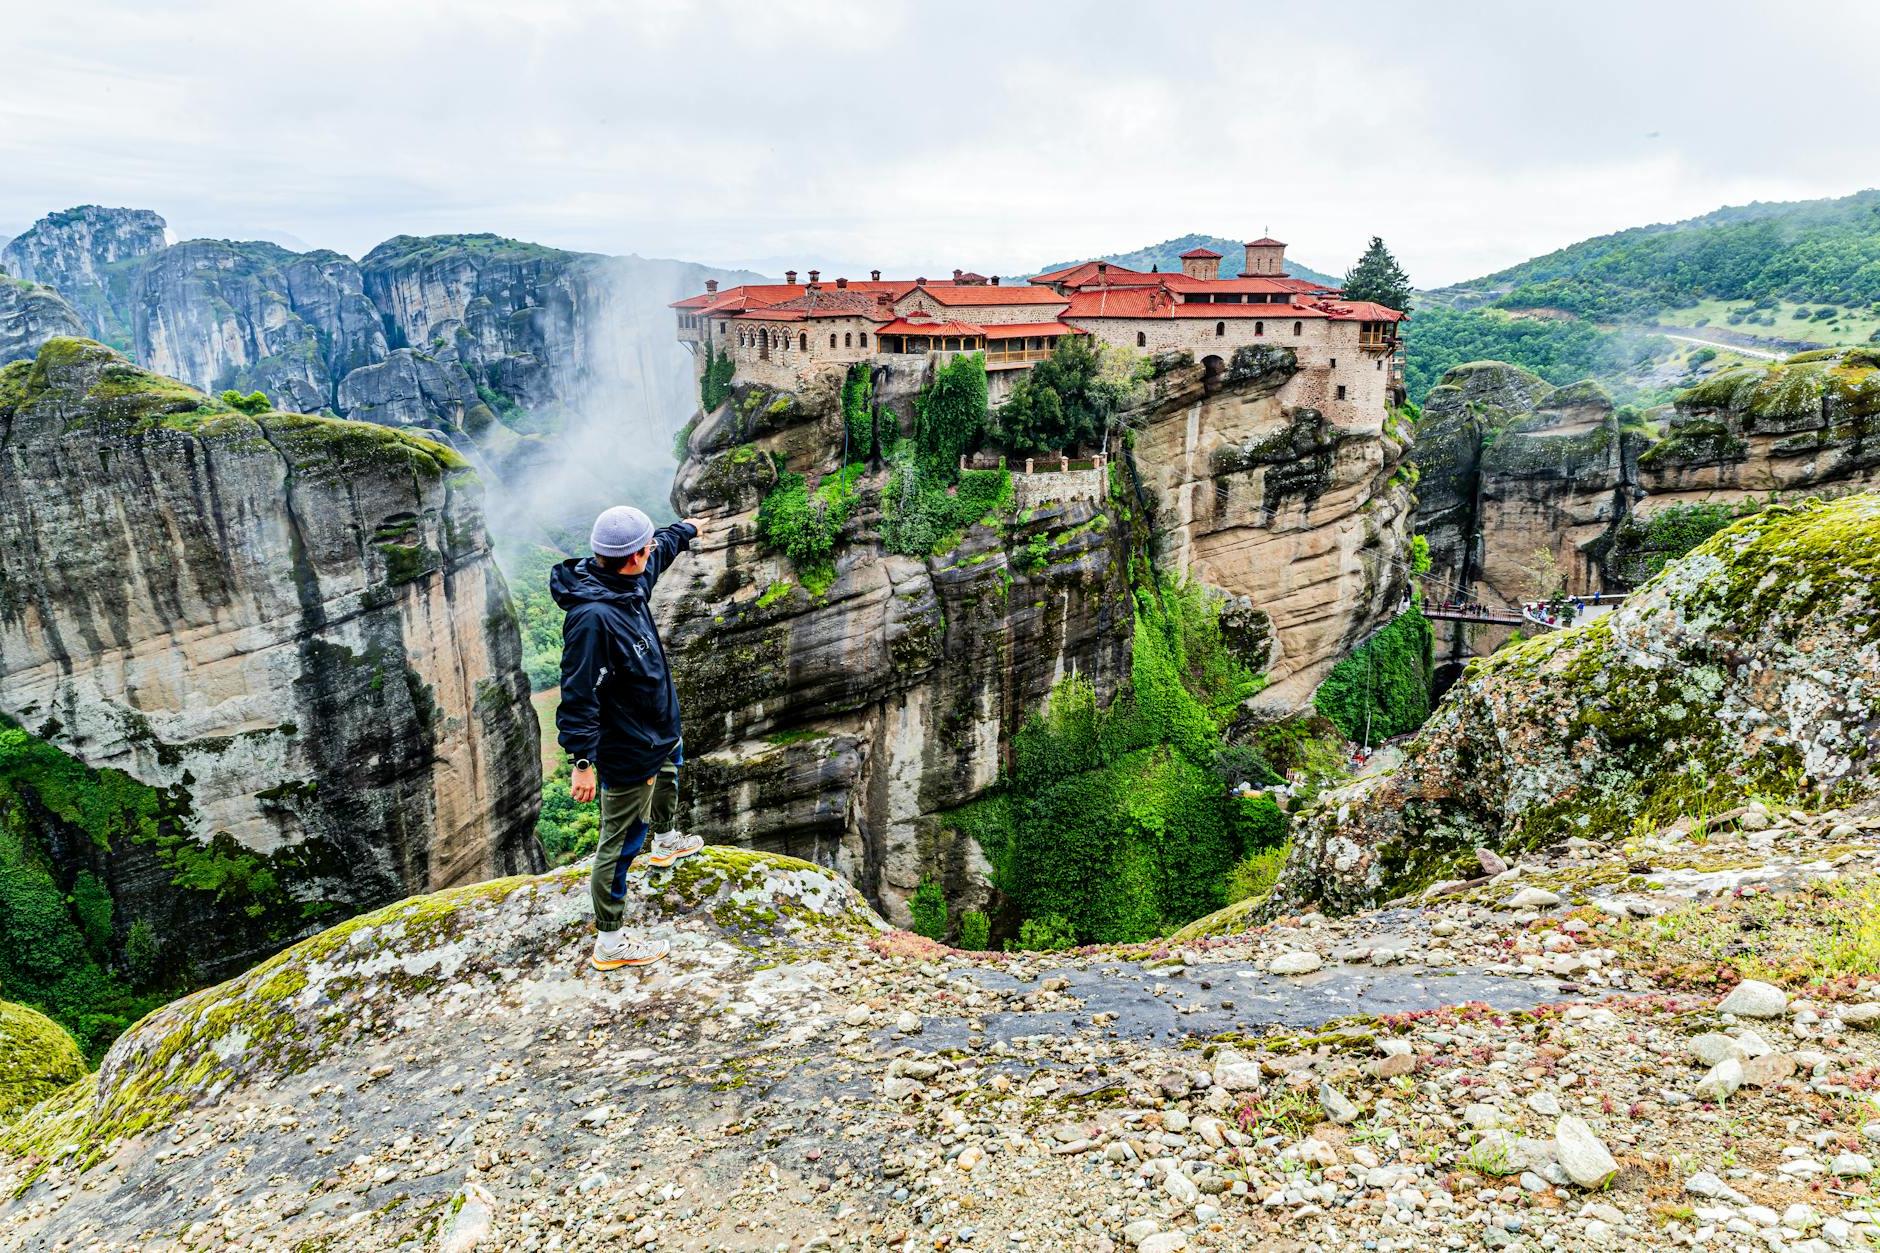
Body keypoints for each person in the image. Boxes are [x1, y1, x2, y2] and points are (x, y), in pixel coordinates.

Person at [553, 505, 706, 970]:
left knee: (671, 775)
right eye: (647, 548)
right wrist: (582, 761)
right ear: (632, 556)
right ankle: (611, 940)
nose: (652, 552)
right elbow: (578, 693)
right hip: (626, 746)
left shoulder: (626, 579)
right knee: (619, 841)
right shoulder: (593, 619)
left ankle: (666, 841)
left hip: (658, 728)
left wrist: (687, 529)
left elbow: (661, 550)